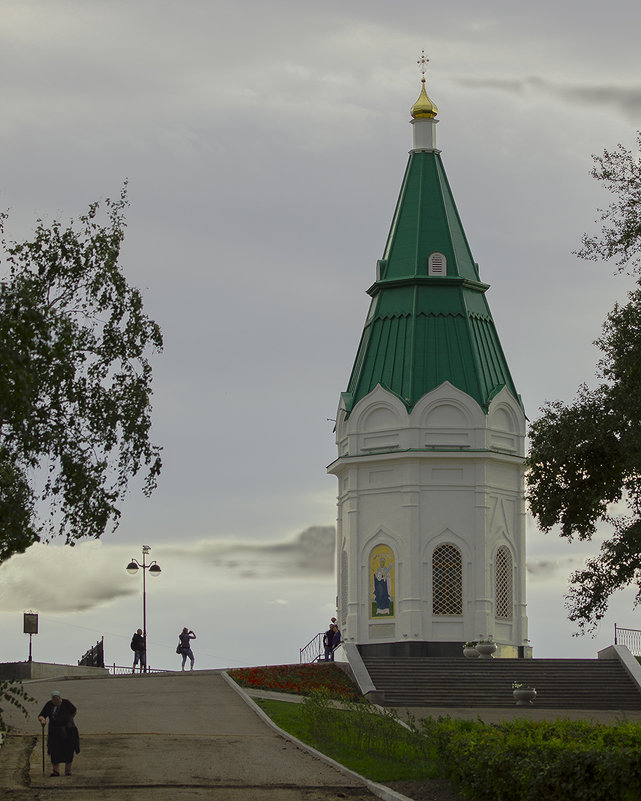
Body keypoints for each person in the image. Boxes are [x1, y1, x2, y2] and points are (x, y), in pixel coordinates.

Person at [38, 690, 79, 777]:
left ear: (60, 698)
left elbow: (74, 711)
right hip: (54, 731)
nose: (56, 701)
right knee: (55, 750)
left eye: (57, 699)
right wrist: (43, 720)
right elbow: (41, 715)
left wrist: (69, 719)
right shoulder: (49, 704)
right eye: (54, 699)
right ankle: (55, 770)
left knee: (69, 749)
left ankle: (68, 770)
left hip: (68, 730)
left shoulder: (66, 703)